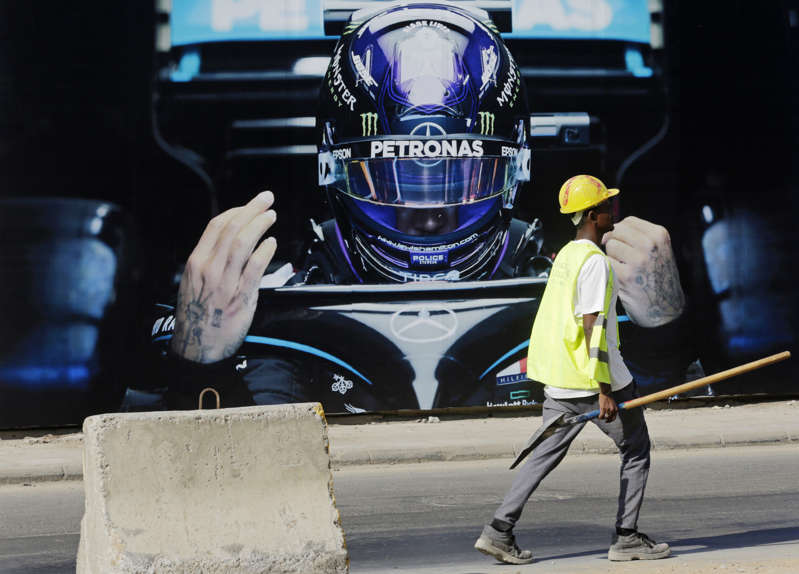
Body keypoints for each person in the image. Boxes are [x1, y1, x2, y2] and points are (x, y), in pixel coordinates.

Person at [148, 2, 690, 413]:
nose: (429, 216)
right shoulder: (267, 311)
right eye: (395, 181)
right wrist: (200, 365)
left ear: (516, 171)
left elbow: (668, 450)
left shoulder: (587, 291)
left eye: (462, 177)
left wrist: (661, 337)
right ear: (332, 170)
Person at [474, 175, 672, 565]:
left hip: (560, 381)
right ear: (593, 215)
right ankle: (627, 538)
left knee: (542, 456)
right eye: (606, 207)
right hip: (593, 380)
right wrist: (604, 390)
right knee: (636, 450)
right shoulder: (595, 262)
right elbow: (592, 326)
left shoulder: (566, 255)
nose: (612, 212)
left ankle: (498, 531)